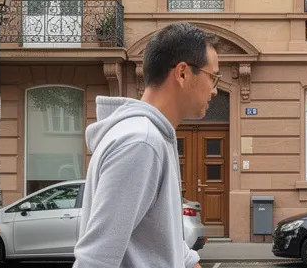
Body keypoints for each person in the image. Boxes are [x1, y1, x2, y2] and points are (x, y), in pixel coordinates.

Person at [73, 22, 219, 268]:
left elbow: (166, 243)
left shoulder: (151, 137)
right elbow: (96, 260)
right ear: (183, 73)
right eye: (213, 77)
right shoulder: (141, 143)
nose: (214, 90)